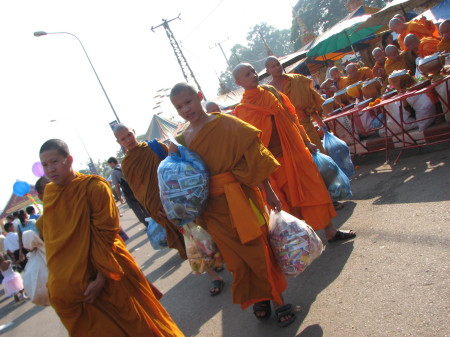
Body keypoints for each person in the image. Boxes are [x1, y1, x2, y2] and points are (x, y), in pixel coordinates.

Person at [169, 82, 296, 327]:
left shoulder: (227, 123)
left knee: (259, 253)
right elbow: (178, 180)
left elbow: (254, 157)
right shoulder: (182, 140)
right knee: (236, 261)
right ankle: (259, 297)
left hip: (242, 199)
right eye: (179, 107)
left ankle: (279, 301)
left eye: (188, 102)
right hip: (212, 210)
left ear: (199, 96)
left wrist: (268, 190)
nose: (185, 109)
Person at [38, 138, 184, 337]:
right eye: (45, 165)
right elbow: (56, 243)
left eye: (54, 161)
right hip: (78, 289)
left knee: (138, 325)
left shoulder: (93, 187)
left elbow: (106, 234)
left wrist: (101, 278)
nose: (50, 169)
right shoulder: (50, 194)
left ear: (69, 160)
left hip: (109, 273)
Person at [233, 63, 356, 242]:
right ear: (238, 82)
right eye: (247, 74)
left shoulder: (272, 92)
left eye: (253, 71)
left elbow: (292, 119)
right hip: (275, 164)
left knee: (314, 191)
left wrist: (306, 140)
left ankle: (330, 231)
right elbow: (251, 145)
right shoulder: (242, 110)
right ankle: (304, 242)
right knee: (288, 203)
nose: (253, 75)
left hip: (296, 152)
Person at [114, 125, 224, 296]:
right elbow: (139, 190)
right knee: (187, 239)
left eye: (129, 134)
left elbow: (174, 165)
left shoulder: (155, 147)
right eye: (123, 138)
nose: (128, 139)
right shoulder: (127, 163)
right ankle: (214, 276)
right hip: (161, 208)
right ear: (119, 142)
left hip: (180, 197)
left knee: (201, 230)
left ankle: (215, 259)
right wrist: (154, 208)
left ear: (134, 132)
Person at [265, 56, 327, 153]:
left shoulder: (297, 80)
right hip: (288, 130)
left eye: (278, 64)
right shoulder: (267, 90)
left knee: (320, 154)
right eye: (273, 66)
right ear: (268, 71)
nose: (277, 67)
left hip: (306, 124)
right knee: (303, 160)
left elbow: (310, 103)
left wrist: (320, 122)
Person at [107, 156, 150, 226]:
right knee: (143, 206)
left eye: (109, 164)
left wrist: (119, 197)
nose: (110, 166)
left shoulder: (114, 173)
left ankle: (147, 224)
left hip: (128, 193)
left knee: (137, 210)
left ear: (112, 163)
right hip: (136, 188)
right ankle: (152, 221)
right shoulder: (125, 165)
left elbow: (117, 186)